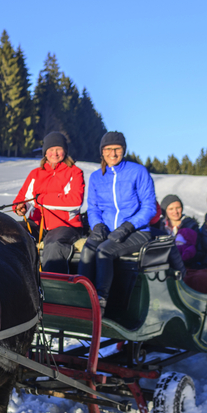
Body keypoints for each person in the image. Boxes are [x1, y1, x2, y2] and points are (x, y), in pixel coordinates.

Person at [78, 131, 157, 313]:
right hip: (108, 230)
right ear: (102, 152)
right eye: (108, 149)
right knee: (88, 250)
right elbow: (93, 207)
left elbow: (149, 207)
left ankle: (101, 302)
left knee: (104, 251)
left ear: (124, 150)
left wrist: (128, 226)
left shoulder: (137, 172)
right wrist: (97, 225)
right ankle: (81, 298)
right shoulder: (97, 177)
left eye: (117, 149)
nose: (113, 153)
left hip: (137, 232)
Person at [13, 131, 85, 273]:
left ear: (65, 151)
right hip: (37, 224)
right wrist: (20, 207)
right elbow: (24, 198)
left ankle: (52, 288)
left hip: (66, 225)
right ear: (45, 152)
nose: (55, 153)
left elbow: (75, 202)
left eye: (59, 149)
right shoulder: (36, 173)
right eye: (51, 149)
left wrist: (42, 199)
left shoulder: (74, 172)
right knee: (11, 232)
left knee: (53, 245)